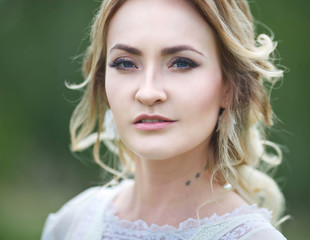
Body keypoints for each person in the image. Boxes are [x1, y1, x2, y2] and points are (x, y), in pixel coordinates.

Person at [42, 0, 287, 239]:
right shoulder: (69, 225)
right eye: (125, 63)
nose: (148, 93)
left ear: (229, 87)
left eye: (181, 63)